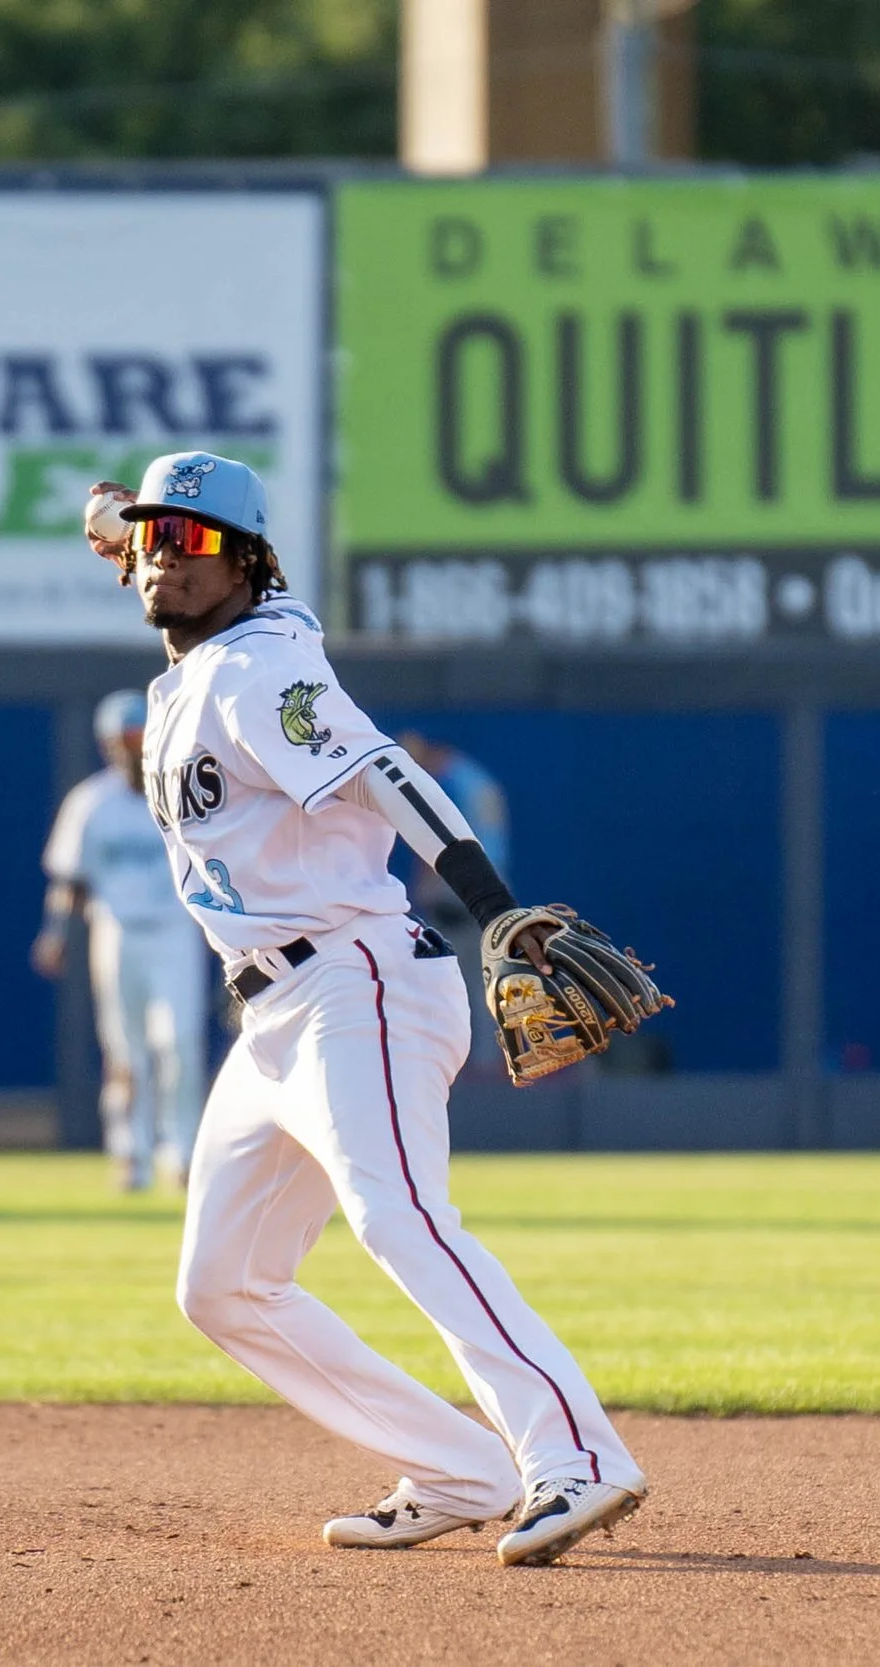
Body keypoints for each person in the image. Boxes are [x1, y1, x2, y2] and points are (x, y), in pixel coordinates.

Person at [87, 452, 646, 1566]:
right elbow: (148, 543)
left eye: (193, 541)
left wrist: (493, 905)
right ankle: (457, 1466)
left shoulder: (255, 671)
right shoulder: (212, 635)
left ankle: (575, 1456)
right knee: (224, 1285)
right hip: (273, 1017)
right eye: (154, 538)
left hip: (358, 982)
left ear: (249, 559)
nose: (164, 555)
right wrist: (121, 523)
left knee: (398, 1217)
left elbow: (385, 773)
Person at [34, 690, 212, 1191]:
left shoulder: (184, 792)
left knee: (178, 1042)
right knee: (124, 1049)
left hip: (176, 929)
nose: (130, 750)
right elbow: (70, 878)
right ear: (106, 745)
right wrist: (54, 932)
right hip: (116, 930)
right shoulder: (92, 802)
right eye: (121, 741)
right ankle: (129, 1153)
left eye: (136, 738)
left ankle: (182, 1152)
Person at [397, 731, 510, 1058]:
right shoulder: (472, 776)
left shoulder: (445, 784)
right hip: (488, 882)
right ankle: (489, 1061)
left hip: (462, 885)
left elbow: (439, 837)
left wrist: (425, 885)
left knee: (453, 981)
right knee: (488, 981)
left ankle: (471, 1064)